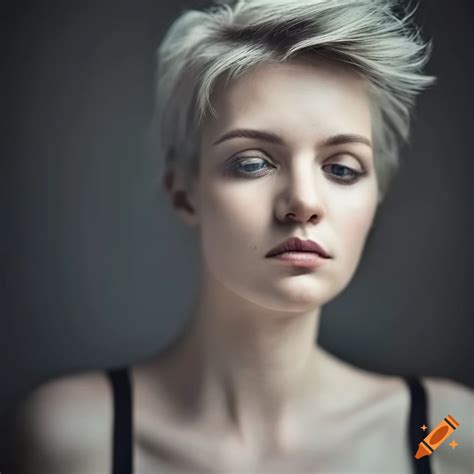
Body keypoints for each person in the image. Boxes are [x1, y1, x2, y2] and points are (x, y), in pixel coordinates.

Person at [2, 0, 473, 473]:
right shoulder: (75, 440)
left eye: (342, 169)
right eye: (252, 162)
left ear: (375, 199)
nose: (305, 201)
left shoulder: (443, 431)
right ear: (186, 195)